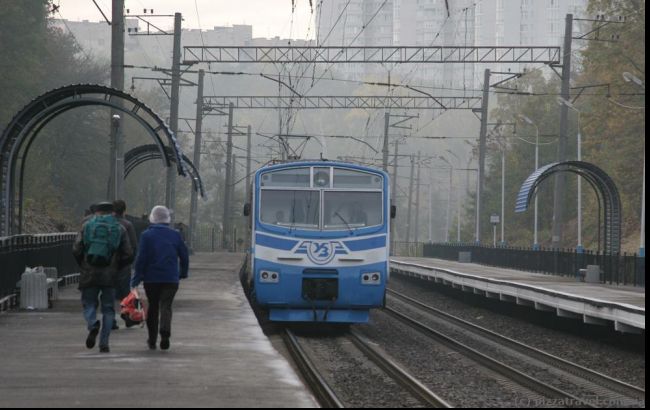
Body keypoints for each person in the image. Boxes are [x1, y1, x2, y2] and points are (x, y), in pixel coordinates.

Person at [73, 202, 134, 353]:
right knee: (108, 309)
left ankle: (93, 324)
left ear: (96, 212)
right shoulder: (119, 228)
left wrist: (83, 263)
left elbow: (76, 248)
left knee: (89, 304)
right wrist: (118, 267)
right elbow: (128, 253)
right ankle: (104, 343)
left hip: (89, 272)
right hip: (110, 274)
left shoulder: (87, 226)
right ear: (112, 212)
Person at [132, 205, 189, 351]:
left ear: (152, 218)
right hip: (171, 278)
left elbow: (141, 258)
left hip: (151, 279)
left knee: (153, 306)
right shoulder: (176, 235)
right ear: (167, 219)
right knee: (166, 306)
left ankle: (152, 339)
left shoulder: (146, 235)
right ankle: (165, 333)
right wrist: (183, 272)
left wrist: (137, 278)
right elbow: (184, 255)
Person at [112, 199, 138, 329]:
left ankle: (110, 320)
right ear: (124, 210)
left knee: (109, 292)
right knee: (126, 293)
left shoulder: (106, 224)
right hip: (123, 263)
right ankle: (128, 316)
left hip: (106, 264)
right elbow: (133, 245)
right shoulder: (127, 225)